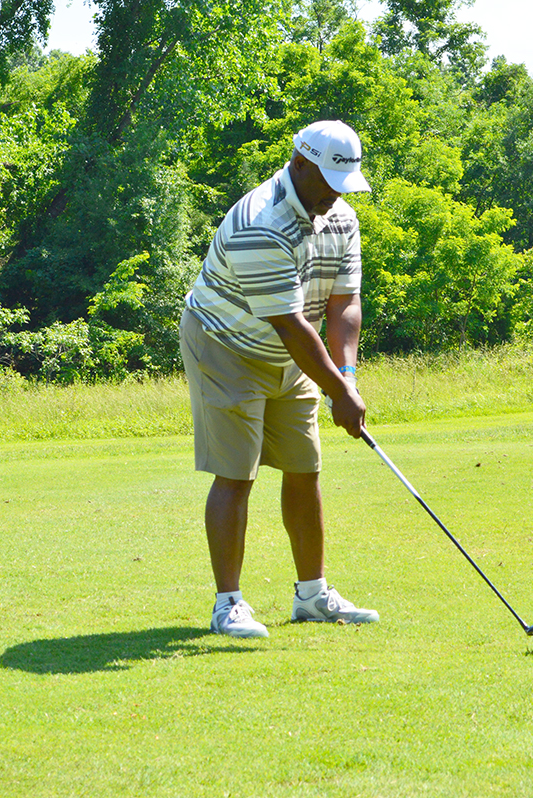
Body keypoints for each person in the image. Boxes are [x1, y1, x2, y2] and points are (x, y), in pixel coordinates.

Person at [180, 120, 379, 638]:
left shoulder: (341, 217)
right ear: (300, 165)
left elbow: (344, 302)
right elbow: (289, 324)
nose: (336, 194)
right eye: (330, 180)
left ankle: (312, 597)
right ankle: (228, 604)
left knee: (303, 465)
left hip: (296, 353)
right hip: (225, 344)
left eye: (344, 184)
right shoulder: (258, 223)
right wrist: (336, 390)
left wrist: (348, 379)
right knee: (236, 471)